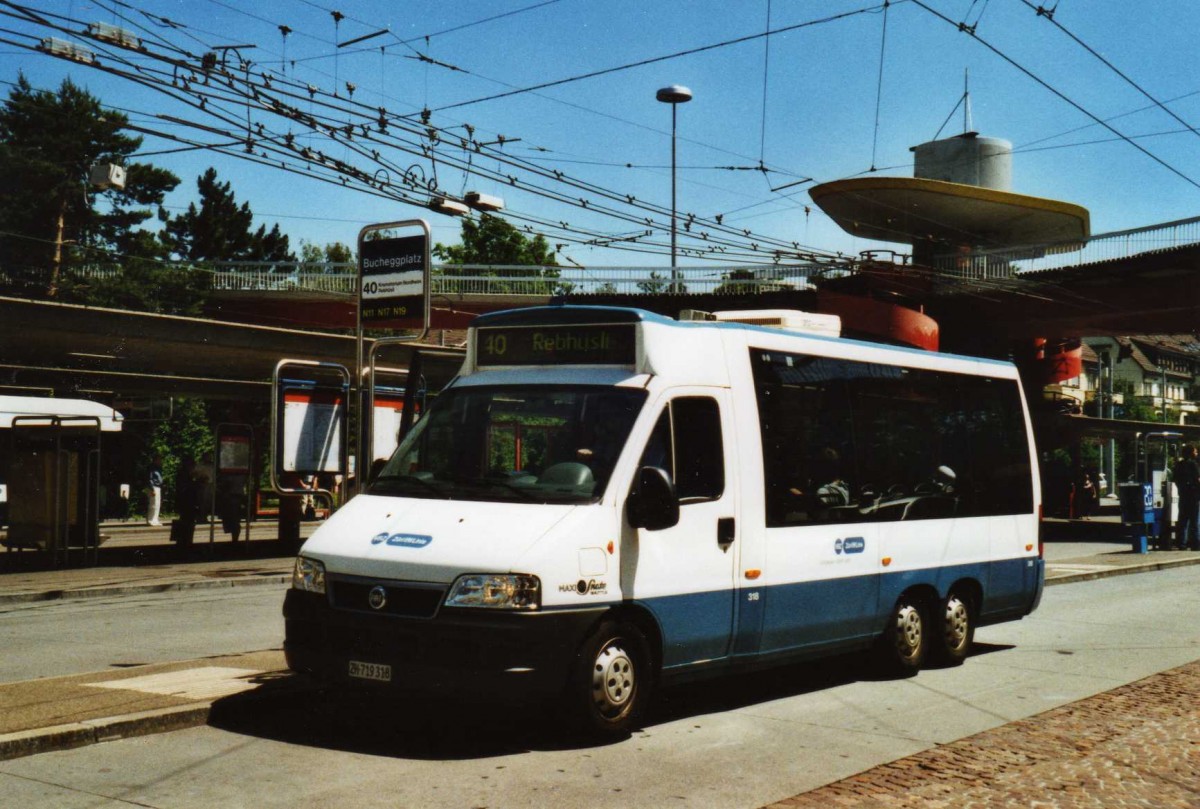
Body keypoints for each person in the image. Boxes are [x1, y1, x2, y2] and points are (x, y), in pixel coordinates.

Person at [1173, 445, 1200, 550]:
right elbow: (1198, 479)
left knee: (1183, 520)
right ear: (1191, 453)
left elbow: (1175, 479)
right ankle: (1195, 544)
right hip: (1194, 495)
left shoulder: (1179, 465)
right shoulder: (1194, 464)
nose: (1197, 453)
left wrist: (1181, 488)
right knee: (1194, 521)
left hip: (1183, 495)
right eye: (1195, 451)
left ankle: (1181, 543)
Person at [146, 455, 163, 526]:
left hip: (158, 487)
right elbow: (150, 479)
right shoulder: (151, 468)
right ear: (155, 460)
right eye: (159, 460)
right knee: (153, 504)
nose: (160, 461)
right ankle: (150, 519)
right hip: (153, 487)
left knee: (157, 504)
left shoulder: (158, 468)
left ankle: (155, 519)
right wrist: (152, 488)